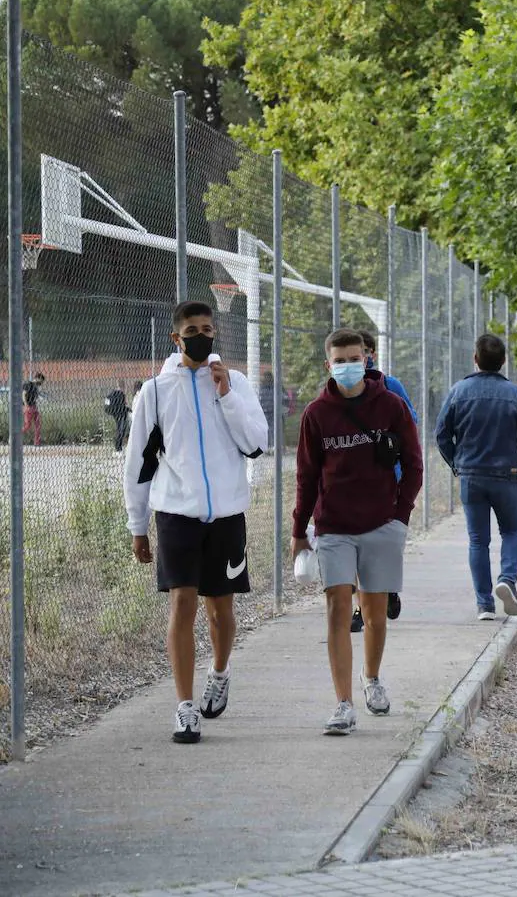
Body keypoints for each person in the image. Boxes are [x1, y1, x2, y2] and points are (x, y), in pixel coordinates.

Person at [123, 301, 270, 744]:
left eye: (207, 328)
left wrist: (225, 395)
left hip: (226, 515)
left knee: (220, 612)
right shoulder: (155, 391)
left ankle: (220, 672)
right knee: (182, 604)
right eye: (192, 329)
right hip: (176, 515)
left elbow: (257, 443)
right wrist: (137, 523)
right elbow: (138, 464)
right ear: (177, 337)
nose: (201, 336)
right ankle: (185, 707)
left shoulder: (236, 382)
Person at [291, 328, 422, 735]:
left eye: (355, 358)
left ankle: (373, 678)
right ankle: (343, 703)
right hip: (333, 528)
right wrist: (299, 529)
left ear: (367, 359)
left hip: (382, 525)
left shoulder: (392, 406)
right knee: (336, 610)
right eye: (339, 359)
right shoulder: (316, 413)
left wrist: (400, 517)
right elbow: (306, 476)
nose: (348, 365)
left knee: (376, 615)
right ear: (327, 364)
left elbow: (415, 465)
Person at [435, 334, 517, 620]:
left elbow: (441, 434)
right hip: (506, 476)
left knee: (478, 541)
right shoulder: (516, 394)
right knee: (512, 531)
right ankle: (507, 580)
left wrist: (457, 463)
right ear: (503, 362)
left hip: (471, 476)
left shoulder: (459, 391)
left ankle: (484, 605)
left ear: (475, 359)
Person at [348, 330, 416, 631]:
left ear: (370, 353)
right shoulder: (339, 390)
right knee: (353, 545)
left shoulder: (391, 385)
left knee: (381, 544)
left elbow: (410, 420)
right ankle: (360, 608)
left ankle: (386, 588)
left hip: (389, 478)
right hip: (352, 481)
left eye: (361, 353)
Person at [105, 381, 130, 453]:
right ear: (124, 387)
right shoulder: (121, 394)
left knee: (119, 429)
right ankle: (118, 448)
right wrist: (128, 409)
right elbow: (123, 405)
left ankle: (118, 448)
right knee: (121, 430)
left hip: (115, 414)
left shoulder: (113, 393)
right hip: (121, 414)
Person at [21, 372, 44, 446]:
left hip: (34, 406)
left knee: (38, 424)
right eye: (41, 381)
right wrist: (26, 404)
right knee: (27, 425)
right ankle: (15, 436)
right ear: (38, 378)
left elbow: (35, 397)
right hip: (28, 407)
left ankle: (37, 442)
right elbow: (24, 394)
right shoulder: (28, 384)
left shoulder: (36, 387)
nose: (41, 383)